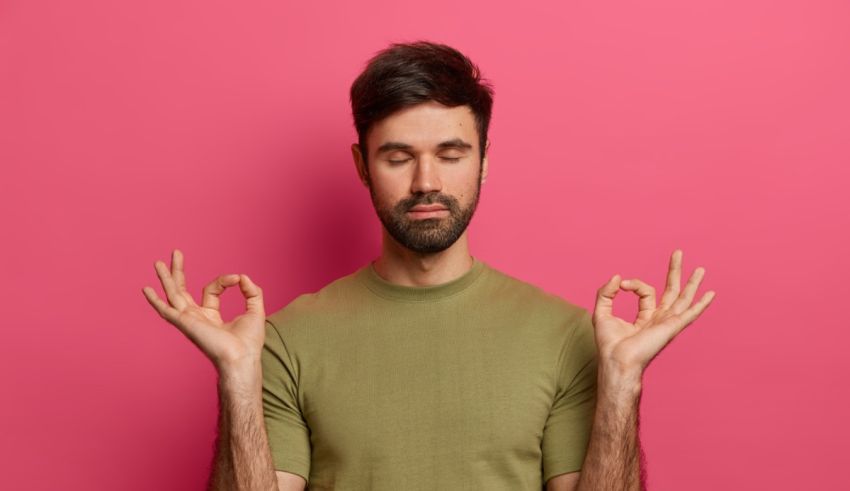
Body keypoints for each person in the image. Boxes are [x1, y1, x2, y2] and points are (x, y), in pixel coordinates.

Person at [142, 41, 715, 491]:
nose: (427, 183)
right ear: (362, 166)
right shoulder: (286, 340)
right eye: (398, 157)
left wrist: (622, 383)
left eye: (451, 154)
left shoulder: (567, 335)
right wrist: (237, 380)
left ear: (484, 163)